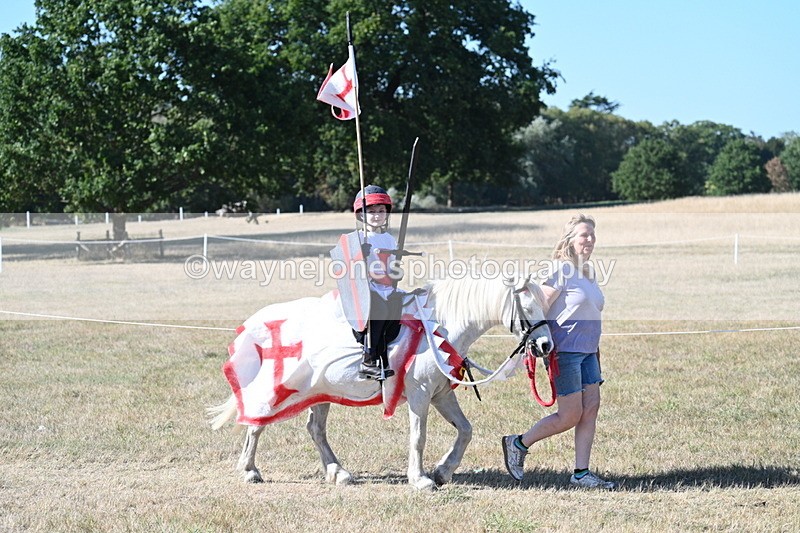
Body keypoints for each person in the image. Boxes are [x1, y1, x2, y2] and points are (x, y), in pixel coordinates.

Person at [501, 214, 616, 489]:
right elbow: (538, 306)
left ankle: (581, 473)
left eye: (592, 235)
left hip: (589, 351)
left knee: (591, 409)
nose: (590, 240)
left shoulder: (588, 273)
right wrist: (536, 345)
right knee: (570, 415)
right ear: (570, 240)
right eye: (583, 235)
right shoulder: (560, 270)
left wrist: (596, 351)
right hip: (565, 352)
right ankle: (518, 443)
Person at [350, 185, 404, 380]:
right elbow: (350, 267)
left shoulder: (389, 239)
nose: (376, 215)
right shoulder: (359, 237)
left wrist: (397, 271)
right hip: (367, 288)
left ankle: (384, 354)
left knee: (399, 307)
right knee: (379, 309)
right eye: (371, 211)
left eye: (381, 211)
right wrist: (359, 255)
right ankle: (368, 359)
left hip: (386, 287)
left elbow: (392, 267)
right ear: (361, 215)